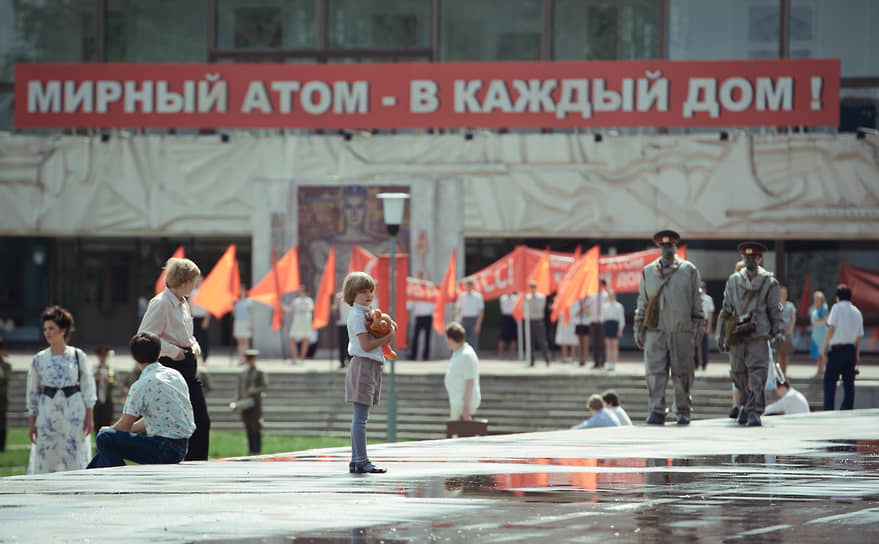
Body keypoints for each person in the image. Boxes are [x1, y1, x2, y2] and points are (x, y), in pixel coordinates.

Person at [137, 256, 210, 461]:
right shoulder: (160, 303)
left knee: (201, 420)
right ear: (185, 282)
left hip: (188, 364)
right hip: (170, 366)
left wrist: (194, 345)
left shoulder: (184, 303)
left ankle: (198, 463)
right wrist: (171, 351)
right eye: (194, 281)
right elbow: (144, 337)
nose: (196, 286)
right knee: (173, 420)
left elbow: (186, 334)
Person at [87, 332, 195, 468]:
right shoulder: (175, 375)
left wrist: (109, 431)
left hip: (163, 449)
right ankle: (91, 471)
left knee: (104, 438)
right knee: (107, 442)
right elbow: (155, 417)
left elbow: (124, 426)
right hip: (181, 447)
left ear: (133, 357)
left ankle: (116, 477)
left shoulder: (142, 384)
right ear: (159, 353)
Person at [634, 230, 704, 426]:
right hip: (655, 330)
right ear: (659, 248)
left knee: (682, 373)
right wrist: (639, 327)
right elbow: (643, 302)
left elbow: (697, 302)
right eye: (664, 246)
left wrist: (698, 327)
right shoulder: (648, 272)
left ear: (676, 247)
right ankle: (656, 410)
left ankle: (683, 410)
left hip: (681, 330)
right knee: (655, 373)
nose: (668, 249)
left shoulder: (688, 270)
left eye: (671, 246)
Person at [716, 242, 784, 427]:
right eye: (747, 258)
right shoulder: (733, 281)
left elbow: (775, 311)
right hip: (737, 333)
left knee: (757, 373)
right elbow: (726, 309)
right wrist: (720, 334)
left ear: (760, 259)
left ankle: (754, 411)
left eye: (754, 257)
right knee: (738, 373)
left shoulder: (770, 283)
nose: (750, 261)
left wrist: (778, 333)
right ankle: (746, 405)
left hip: (758, 334)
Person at [26, 305, 96, 474]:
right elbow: (33, 392)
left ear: (63, 330)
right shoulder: (39, 359)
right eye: (45, 329)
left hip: (73, 410)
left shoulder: (78, 356)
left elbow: (88, 387)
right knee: (47, 455)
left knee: (74, 455)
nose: (47, 333)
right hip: (48, 411)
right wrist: (32, 423)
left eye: (52, 328)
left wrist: (89, 416)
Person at [344, 271, 394, 474]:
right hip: (363, 364)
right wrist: (389, 336)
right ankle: (361, 460)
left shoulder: (367, 313)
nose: (368, 295)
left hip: (371, 365)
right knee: (361, 418)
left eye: (370, 291)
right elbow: (365, 345)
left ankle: (357, 460)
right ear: (352, 294)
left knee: (361, 417)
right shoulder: (357, 315)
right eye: (363, 292)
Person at [819, 284, 863, 411]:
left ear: (837, 297)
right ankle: (847, 409)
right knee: (849, 384)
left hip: (837, 349)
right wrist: (857, 353)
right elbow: (859, 336)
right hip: (850, 349)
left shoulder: (836, 308)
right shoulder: (857, 311)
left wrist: (824, 346)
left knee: (829, 381)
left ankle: (828, 409)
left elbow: (831, 328)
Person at [444, 322, 481, 421]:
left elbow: (470, 381)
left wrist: (466, 408)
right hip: (457, 402)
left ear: (451, 339)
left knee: (460, 434)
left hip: (463, 404)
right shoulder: (459, 352)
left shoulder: (467, 355)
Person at [235, 348, 267, 454]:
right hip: (245, 403)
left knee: (256, 427)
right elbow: (240, 387)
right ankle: (251, 448)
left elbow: (264, 386)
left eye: (251, 358)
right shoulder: (243, 372)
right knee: (248, 425)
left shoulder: (259, 372)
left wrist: (254, 390)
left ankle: (257, 449)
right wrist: (238, 397)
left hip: (255, 403)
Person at [284, 285, 314, 362]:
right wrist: (281, 305)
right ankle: (295, 357)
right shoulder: (296, 300)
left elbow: (311, 308)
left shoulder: (309, 300)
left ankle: (302, 358)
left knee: (305, 339)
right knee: (292, 338)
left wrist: (304, 309)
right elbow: (289, 309)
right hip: (297, 321)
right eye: (300, 291)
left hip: (305, 321)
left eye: (302, 291)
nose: (301, 292)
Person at [524, 280, 551, 367]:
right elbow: (522, 309)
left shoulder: (541, 297)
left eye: (533, 287)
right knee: (529, 342)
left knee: (542, 341)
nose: (532, 289)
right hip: (529, 321)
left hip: (538, 321)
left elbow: (539, 309)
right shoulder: (527, 297)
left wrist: (530, 301)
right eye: (530, 287)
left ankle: (547, 359)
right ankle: (531, 360)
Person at [454, 279, 484, 352]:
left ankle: (473, 359)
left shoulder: (478, 296)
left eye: (470, 285)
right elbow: (458, 309)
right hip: (464, 320)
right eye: (467, 285)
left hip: (473, 319)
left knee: (473, 341)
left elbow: (481, 311)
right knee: (463, 340)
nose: (468, 287)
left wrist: (478, 324)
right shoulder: (462, 296)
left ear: (472, 286)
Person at [92, 345, 117, 433]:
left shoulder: (110, 369)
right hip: (97, 401)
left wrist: (109, 381)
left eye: (104, 356)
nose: (102, 358)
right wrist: (97, 379)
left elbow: (115, 384)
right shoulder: (94, 369)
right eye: (101, 356)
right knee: (97, 423)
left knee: (107, 422)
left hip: (107, 400)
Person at [601, 289, 625, 371]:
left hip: (615, 325)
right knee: (608, 345)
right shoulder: (605, 306)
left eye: (612, 295)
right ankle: (608, 363)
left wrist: (620, 329)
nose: (611, 297)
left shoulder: (619, 306)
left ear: (615, 296)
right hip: (607, 324)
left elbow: (621, 318)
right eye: (609, 295)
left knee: (614, 345)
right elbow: (602, 317)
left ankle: (613, 363)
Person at [190, 276, 211, 364]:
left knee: (203, 338)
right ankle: (195, 355)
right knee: (194, 337)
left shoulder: (206, 292)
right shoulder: (192, 292)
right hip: (194, 317)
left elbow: (208, 306)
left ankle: (205, 356)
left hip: (202, 317)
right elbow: (189, 304)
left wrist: (207, 319)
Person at [587, 280, 609, 369]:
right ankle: (596, 362)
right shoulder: (592, 295)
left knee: (602, 343)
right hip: (593, 321)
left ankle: (603, 361)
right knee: (594, 343)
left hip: (602, 322)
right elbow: (587, 306)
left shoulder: (606, 295)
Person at [776, 285, 797, 376]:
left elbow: (793, 318)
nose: (783, 295)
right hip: (778, 332)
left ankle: (785, 372)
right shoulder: (775, 305)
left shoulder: (790, 305)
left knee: (786, 353)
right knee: (779, 354)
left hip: (787, 333)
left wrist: (790, 329)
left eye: (785, 293)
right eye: (781, 293)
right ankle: (780, 373)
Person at [695, 281, 715, 371]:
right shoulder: (694, 298)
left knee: (704, 344)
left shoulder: (708, 299)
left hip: (704, 320)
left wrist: (709, 326)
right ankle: (695, 363)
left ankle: (704, 363)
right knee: (695, 343)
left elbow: (710, 313)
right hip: (696, 321)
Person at [231, 285, 254, 361]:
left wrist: (251, 323)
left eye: (242, 290)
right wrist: (231, 307)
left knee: (246, 341)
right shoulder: (236, 302)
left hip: (246, 322)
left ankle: (246, 357)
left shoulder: (249, 301)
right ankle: (240, 357)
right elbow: (234, 314)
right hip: (238, 322)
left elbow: (251, 313)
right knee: (240, 341)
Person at [810, 290, 829, 375]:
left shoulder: (824, 307)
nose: (816, 300)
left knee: (823, 352)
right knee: (817, 353)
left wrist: (815, 322)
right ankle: (819, 369)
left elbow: (825, 320)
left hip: (822, 333)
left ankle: (823, 369)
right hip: (815, 333)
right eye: (815, 298)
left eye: (818, 298)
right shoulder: (813, 308)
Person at [554, 296, 579, 363]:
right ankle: (564, 358)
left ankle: (573, 358)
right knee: (563, 340)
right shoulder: (561, 299)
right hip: (563, 321)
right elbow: (557, 309)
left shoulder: (575, 300)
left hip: (572, 321)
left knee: (573, 340)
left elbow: (577, 310)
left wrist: (570, 315)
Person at [497, 292, 519, 359]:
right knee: (502, 338)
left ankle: (512, 355)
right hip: (505, 318)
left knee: (513, 338)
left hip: (513, 318)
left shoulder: (516, 298)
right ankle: (500, 355)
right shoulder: (502, 298)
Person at [333, 291, 351, 368]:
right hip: (341, 322)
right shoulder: (339, 296)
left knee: (351, 342)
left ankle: (350, 360)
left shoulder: (354, 295)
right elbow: (335, 308)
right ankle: (342, 361)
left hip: (351, 322)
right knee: (342, 342)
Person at [0, 339, 11, 451]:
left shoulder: (6, 365)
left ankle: (2, 446)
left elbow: (4, 379)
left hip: (2, 400)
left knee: (2, 424)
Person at [573, 296, 590, 366]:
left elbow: (590, 314)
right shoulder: (576, 302)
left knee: (585, 343)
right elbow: (574, 314)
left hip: (586, 323)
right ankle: (580, 359)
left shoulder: (589, 302)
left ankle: (585, 359)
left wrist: (585, 310)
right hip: (579, 323)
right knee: (579, 343)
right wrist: (581, 309)